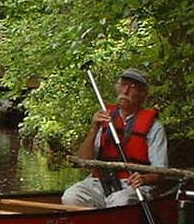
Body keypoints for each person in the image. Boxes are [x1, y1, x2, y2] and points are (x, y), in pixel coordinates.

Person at [62, 68, 168, 208]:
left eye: (132, 87)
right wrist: (94, 130)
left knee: (119, 201)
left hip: (131, 184)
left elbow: (160, 171)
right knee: (71, 197)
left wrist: (144, 178)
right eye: (122, 85)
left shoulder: (154, 127)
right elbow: (84, 162)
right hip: (100, 181)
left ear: (142, 94)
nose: (125, 91)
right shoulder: (105, 118)